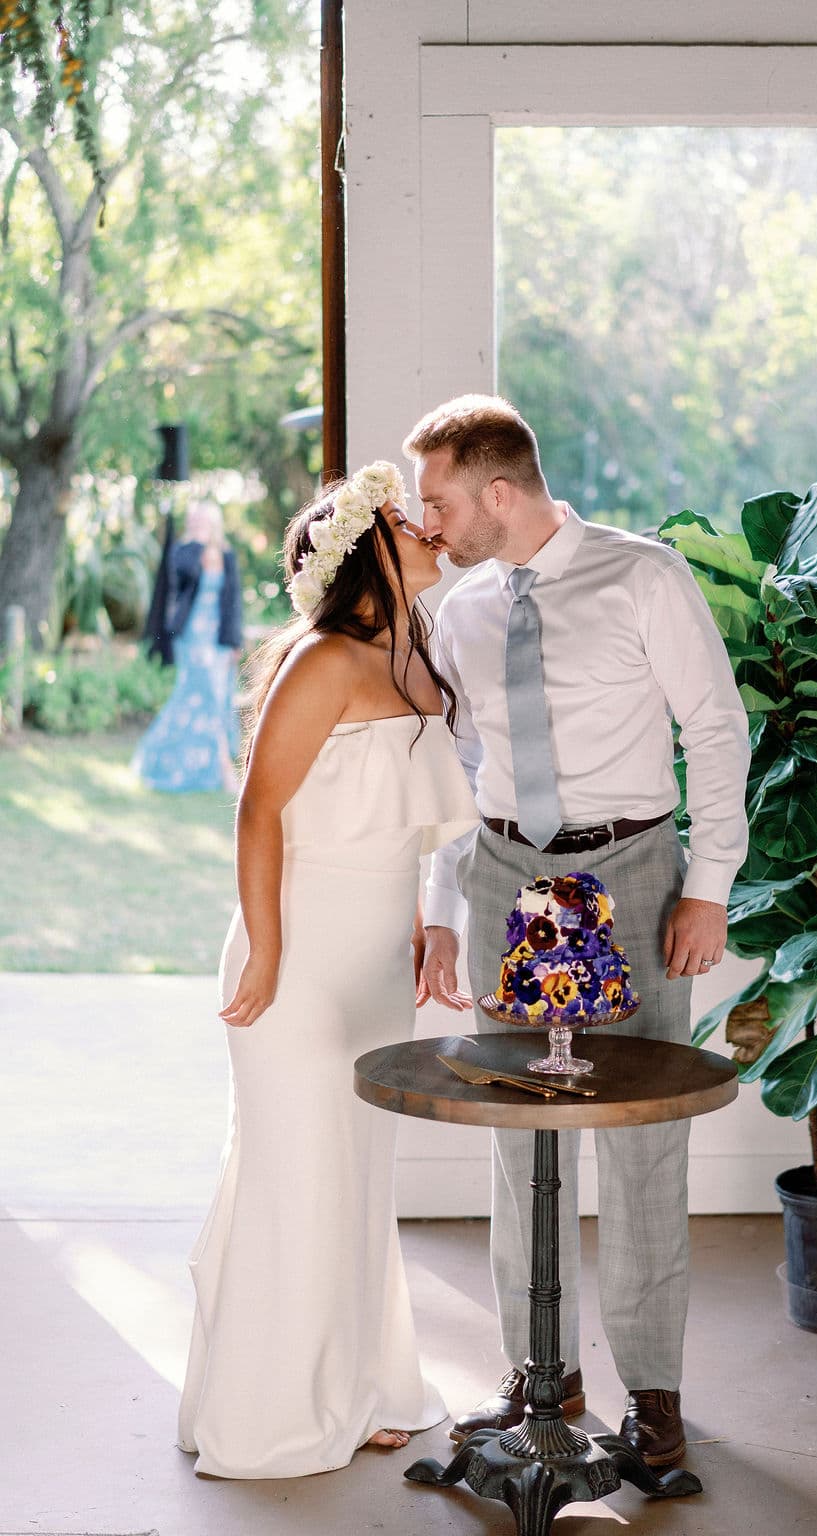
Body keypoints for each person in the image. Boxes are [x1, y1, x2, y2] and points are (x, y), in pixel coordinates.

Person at [407, 396, 751, 1469]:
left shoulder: (643, 575)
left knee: (645, 1137)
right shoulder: (461, 609)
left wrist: (710, 886)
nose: (429, 522)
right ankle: (537, 1370)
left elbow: (716, 725)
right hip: (507, 871)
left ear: (497, 491)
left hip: (633, 868)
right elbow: (455, 775)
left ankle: (652, 1389)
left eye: (439, 499)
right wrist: (435, 914)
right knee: (522, 1139)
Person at [176, 462, 478, 1479]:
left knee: (354, 1174)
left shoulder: (419, 655)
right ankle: (267, 1414)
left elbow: (420, 818)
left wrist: (432, 926)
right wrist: (265, 950)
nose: (430, 529)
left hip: (376, 961)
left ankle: (354, 1384)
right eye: (407, 521)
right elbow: (259, 811)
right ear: (367, 553)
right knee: (297, 1175)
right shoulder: (322, 659)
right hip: (298, 957)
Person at [133, 501, 242, 792]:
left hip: (218, 638)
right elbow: (180, 578)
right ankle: (224, 769)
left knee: (218, 699)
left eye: (202, 521)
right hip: (191, 638)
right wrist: (198, 546)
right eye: (193, 520)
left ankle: (205, 766)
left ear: (213, 523)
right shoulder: (182, 551)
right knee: (203, 695)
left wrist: (234, 641)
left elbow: (232, 601)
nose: (196, 525)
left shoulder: (227, 554)